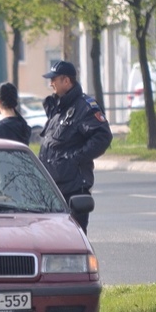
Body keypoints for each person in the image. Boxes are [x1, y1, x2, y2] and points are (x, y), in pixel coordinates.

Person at [38, 61, 112, 233]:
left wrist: (74, 159)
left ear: (66, 81)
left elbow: (103, 136)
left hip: (73, 189)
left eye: (54, 79)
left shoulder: (84, 107)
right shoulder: (58, 108)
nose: (51, 83)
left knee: (73, 239)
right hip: (54, 188)